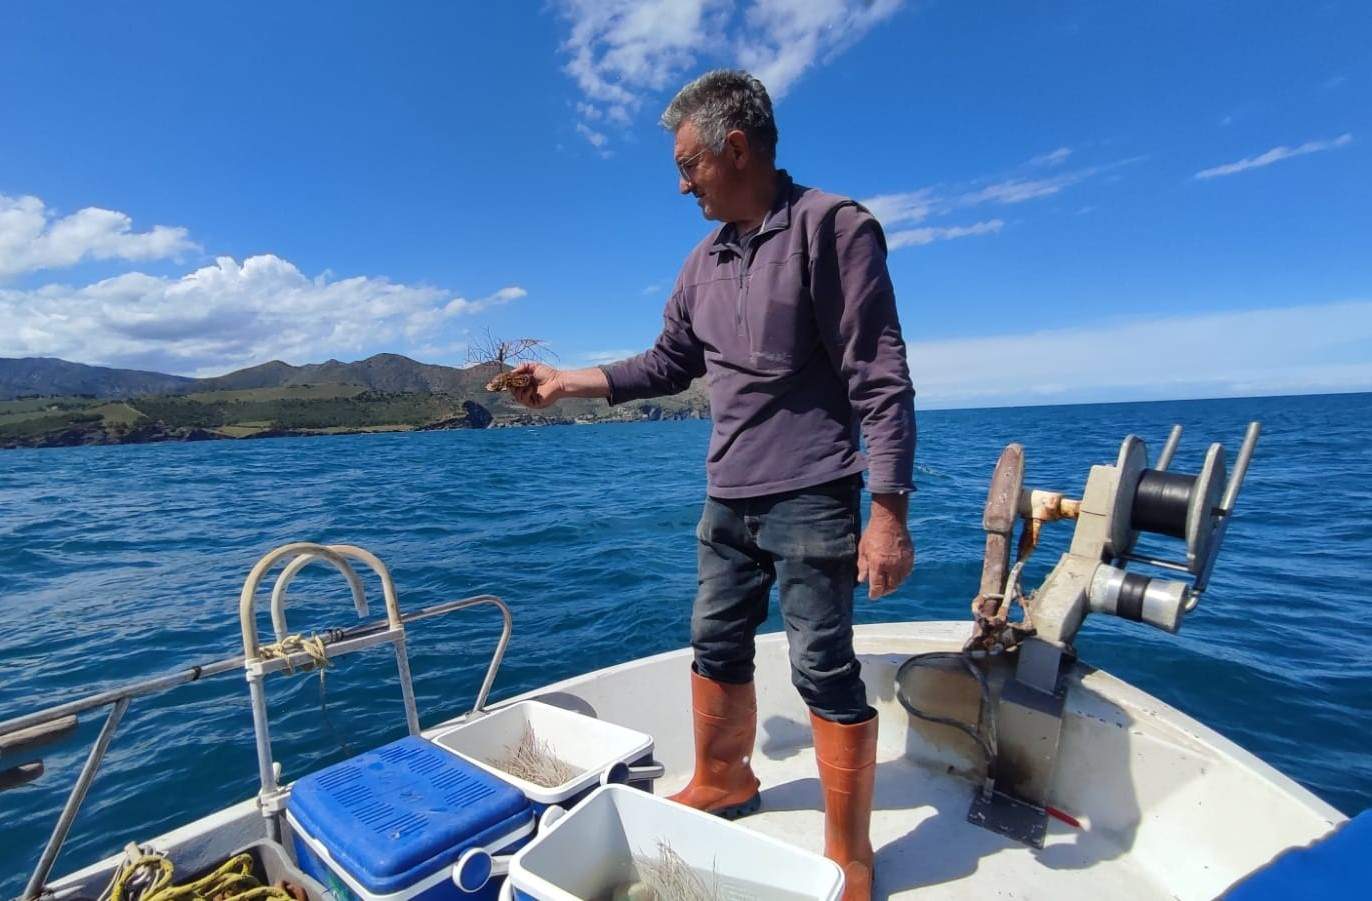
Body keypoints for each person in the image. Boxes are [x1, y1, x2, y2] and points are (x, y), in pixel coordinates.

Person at [510, 69, 915, 901]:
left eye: (689, 164)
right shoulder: (702, 262)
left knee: (823, 668)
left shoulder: (833, 229)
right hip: (727, 496)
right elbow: (664, 363)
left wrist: (888, 512)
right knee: (715, 645)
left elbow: (881, 378)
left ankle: (849, 853)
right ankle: (725, 779)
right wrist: (562, 382)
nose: (681, 182)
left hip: (813, 492)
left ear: (736, 147)